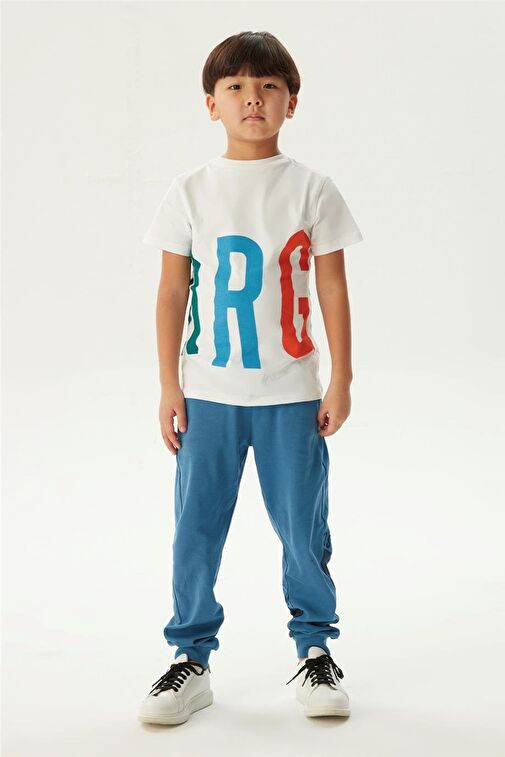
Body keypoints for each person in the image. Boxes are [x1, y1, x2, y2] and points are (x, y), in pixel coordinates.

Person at [138, 30, 363, 725]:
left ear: (292, 102)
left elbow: (332, 288)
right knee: (195, 530)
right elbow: (172, 291)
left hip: (290, 394)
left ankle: (315, 648)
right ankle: (190, 659)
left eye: (268, 87)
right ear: (212, 104)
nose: (252, 99)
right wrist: (169, 384)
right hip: (208, 394)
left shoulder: (311, 189)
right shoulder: (190, 190)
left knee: (302, 529)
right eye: (235, 87)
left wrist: (340, 379)